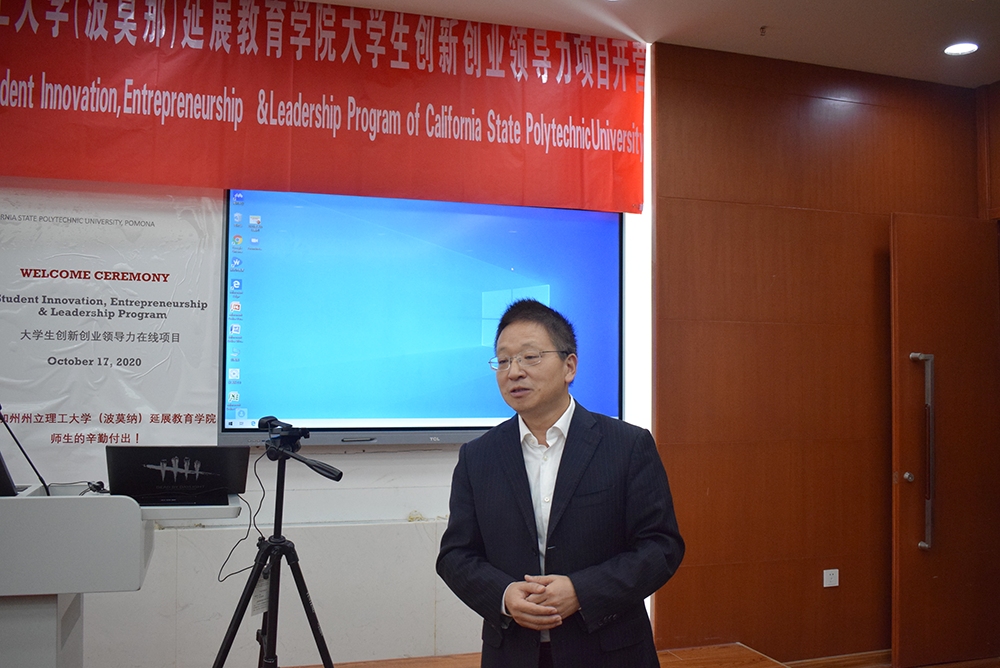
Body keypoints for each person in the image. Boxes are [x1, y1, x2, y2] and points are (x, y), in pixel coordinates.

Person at [436, 299, 684, 668]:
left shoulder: (627, 445)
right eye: (503, 361)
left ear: (569, 366)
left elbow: (661, 547)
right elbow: (456, 556)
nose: (514, 372)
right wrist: (504, 595)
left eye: (529, 357)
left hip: (610, 653)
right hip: (513, 653)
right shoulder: (478, 456)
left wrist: (582, 591)